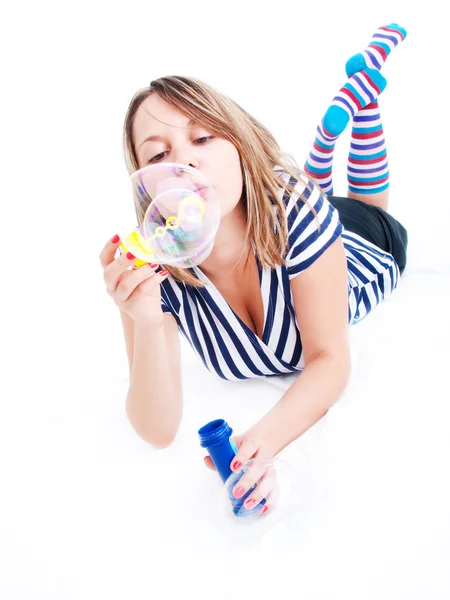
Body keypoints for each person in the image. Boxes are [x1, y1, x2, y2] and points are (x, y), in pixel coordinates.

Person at [99, 24, 408, 513]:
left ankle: (363, 104)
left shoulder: (299, 213)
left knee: (367, 208)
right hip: (293, 206)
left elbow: (330, 360)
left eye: (202, 138)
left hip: (361, 241)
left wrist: (259, 444)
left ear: (239, 147)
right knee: (308, 191)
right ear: (146, 186)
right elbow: (156, 429)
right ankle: (320, 154)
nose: (184, 163)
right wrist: (144, 320)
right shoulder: (156, 272)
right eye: (159, 154)